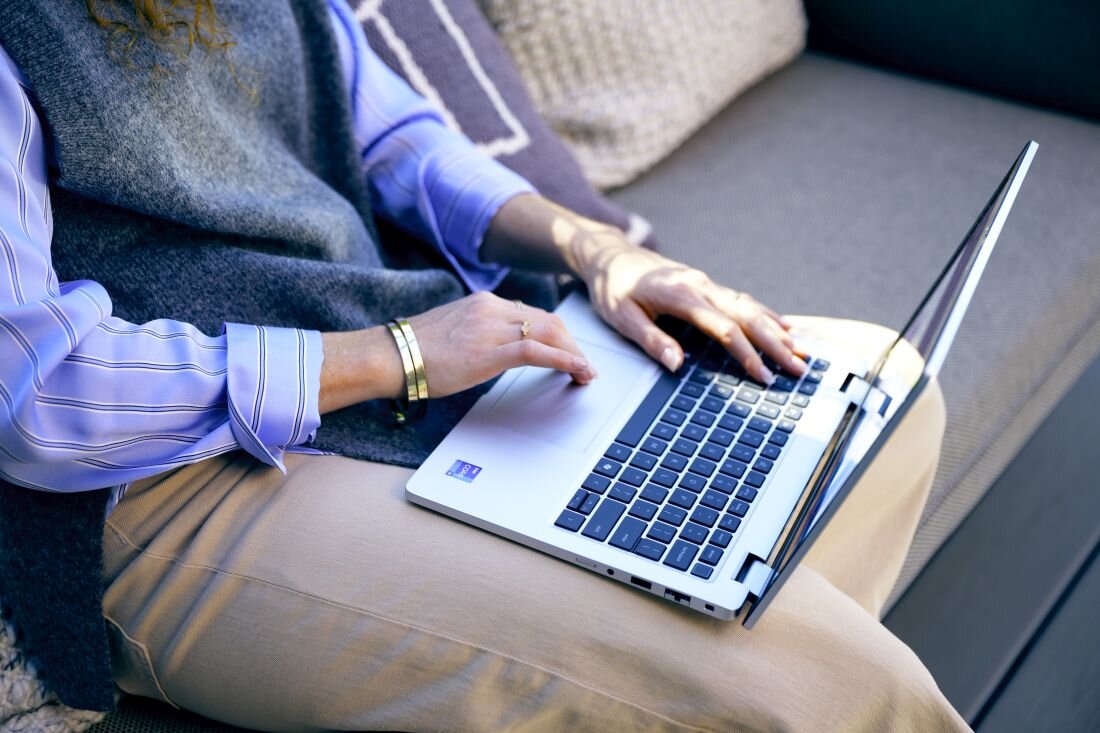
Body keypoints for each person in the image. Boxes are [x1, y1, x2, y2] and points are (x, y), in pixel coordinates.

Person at [0, 0, 969, 730]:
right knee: (841, 688)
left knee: (873, 395)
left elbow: (390, 137)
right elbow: (37, 400)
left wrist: (595, 250)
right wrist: (397, 355)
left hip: (350, 346)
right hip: (159, 485)